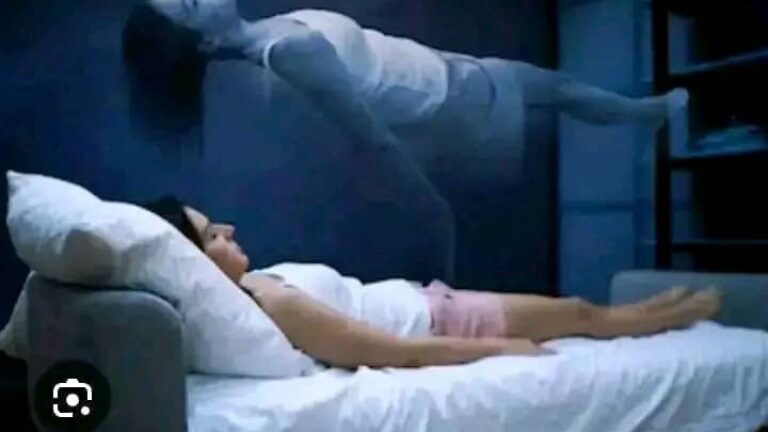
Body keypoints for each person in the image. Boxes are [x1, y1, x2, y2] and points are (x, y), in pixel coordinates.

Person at [142, 196, 721, 370]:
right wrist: (499, 349)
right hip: (446, 319)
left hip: (427, 299)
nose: (229, 229)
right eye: (213, 234)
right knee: (578, 313)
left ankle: (657, 313)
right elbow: (391, 351)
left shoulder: (252, 291)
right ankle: (667, 318)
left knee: (578, 312)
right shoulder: (270, 306)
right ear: (196, 261)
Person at [122, 1, 689, 165]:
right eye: (191, 4)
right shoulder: (287, 53)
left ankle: (645, 119)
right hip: (451, 99)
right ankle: (647, 118)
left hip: (444, 73)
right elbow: (369, 136)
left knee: (557, 91)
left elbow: (372, 57)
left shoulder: (271, 34)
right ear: (204, 41)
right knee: (557, 95)